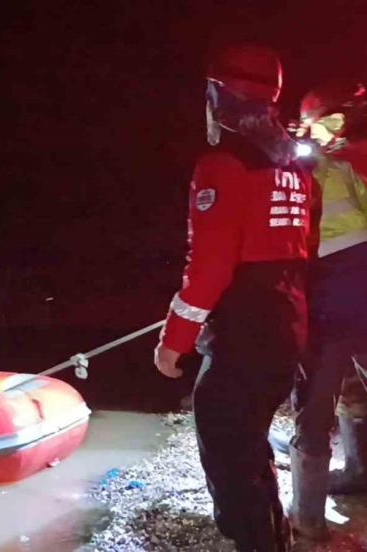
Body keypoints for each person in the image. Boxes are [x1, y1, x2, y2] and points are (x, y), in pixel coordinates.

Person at [154, 44, 314, 551]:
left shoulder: (222, 164)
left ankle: (257, 541)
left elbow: (209, 267)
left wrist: (173, 342)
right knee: (250, 446)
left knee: (228, 454)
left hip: (245, 335)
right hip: (287, 324)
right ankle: (274, 538)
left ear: (219, 95)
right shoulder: (294, 166)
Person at [288, 80, 367, 540]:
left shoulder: (330, 163)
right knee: (346, 395)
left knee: (314, 407)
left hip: (330, 305)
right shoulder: (338, 161)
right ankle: (354, 474)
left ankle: (307, 517)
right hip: (347, 299)